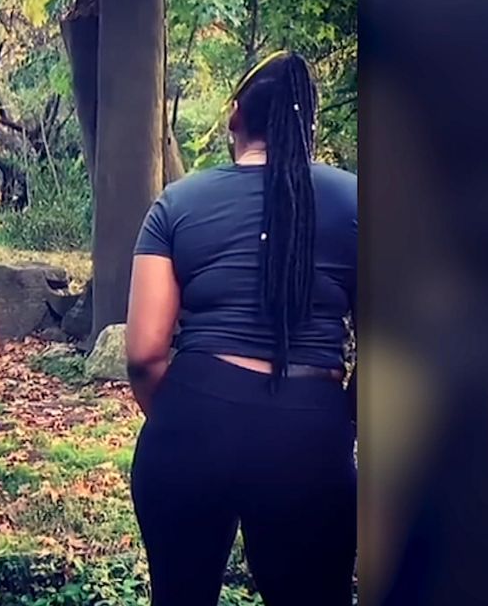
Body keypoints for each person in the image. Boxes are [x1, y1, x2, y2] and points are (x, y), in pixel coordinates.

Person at [126, 51, 357, 605]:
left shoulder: (177, 203)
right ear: (308, 126)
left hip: (193, 422)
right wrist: (339, 421)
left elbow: (144, 354)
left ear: (235, 117)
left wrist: (189, 421)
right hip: (309, 435)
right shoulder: (359, 201)